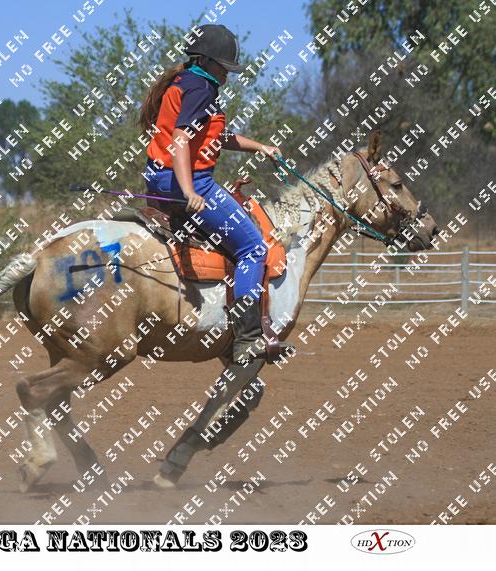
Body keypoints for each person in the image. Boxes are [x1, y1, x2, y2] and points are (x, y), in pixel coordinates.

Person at [141, 24, 286, 484]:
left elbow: (213, 138)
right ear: (208, 62)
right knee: (253, 246)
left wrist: (260, 146)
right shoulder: (201, 86)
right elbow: (182, 143)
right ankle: (247, 336)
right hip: (185, 182)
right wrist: (189, 190)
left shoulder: (187, 83)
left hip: (162, 178)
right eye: (225, 67)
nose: (227, 74)